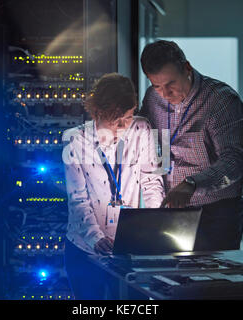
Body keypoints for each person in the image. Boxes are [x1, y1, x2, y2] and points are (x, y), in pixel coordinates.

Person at [62, 73, 164, 299]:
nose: (123, 126)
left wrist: (155, 224)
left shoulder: (142, 129)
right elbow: (78, 199)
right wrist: (95, 238)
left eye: (128, 118)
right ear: (98, 112)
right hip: (85, 248)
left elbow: (151, 180)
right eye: (116, 120)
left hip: (129, 246)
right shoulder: (75, 140)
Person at [139, 40, 243, 251]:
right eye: (157, 86)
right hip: (172, 211)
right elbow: (151, 143)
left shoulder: (221, 101)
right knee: (171, 279)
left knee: (214, 279)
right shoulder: (153, 98)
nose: (165, 94)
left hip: (216, 213)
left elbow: (234, 162)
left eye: (171, 84)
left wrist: (192, 183)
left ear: (187, 68)